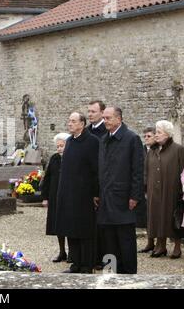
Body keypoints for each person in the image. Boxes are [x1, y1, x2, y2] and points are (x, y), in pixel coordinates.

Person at [97, 107, 144, 274]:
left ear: (118, 119)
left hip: (123, 199)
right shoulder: (103, 140)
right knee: (108, 242)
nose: (105, 121)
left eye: (108, 118)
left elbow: (138, 170)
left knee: (125, 242)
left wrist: (135, 196)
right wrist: (98, 193)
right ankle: (110, 274)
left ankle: (129, 276)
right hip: (106, 198)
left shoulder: (132, 139)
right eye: (104, 118)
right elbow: (101, 169)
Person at [56, 112, 99, 274]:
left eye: (73, 121)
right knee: (71, 230)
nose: (70, 124)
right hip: (68, 194)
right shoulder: (69, 141)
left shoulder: (92, 142)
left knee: (85, 232)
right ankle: (76, 263)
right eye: (69, 121)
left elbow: (96, 169)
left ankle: (87, 265)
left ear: (82, 123)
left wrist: (96, 193)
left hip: (84, 195)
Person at [146, 120, 184, 259]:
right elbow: (147, 170)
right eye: (156, 132)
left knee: (173, 218)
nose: (156, 135)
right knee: (156, 216)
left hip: (172, 190)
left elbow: (183, 171)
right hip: (154, 190)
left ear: (168, 134)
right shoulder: (152, 151)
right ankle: (160, 245)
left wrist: (182, 189)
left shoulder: (178, 149)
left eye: (159, 132)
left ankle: (177, 247)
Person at [41, 132, 71, 263]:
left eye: (62, 146)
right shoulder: (54, 158)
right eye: (57, 146)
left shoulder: (71, 158)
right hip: (54, 196)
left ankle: (72, 252)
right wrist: (45, 197)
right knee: (57, 225)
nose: (59, 148)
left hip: (68, 196)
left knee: (69, 225)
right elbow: (47, 178)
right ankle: (61, 251)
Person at [87, 100, 107, 270]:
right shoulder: (87, 132)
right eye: (89, 111)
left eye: (93, 111)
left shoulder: (105, 132)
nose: (90, 114)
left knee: (102, 224)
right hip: (88, 184)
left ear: (102, 112)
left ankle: (102, 257)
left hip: (102, 183)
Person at [138, 127, 156, 253]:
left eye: (149, 136)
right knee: (148, 216)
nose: (146, 139)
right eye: (145, 137)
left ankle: (160, 243)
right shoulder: (142, 150)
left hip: (155, 186)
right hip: (144, 187)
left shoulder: (157, 151)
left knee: (157, 215)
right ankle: (150, 242)